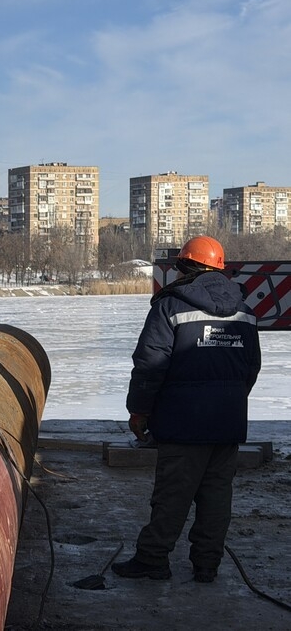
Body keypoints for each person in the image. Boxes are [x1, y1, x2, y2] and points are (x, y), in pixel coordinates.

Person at [113, 236, 261, 583]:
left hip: (183, 421)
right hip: (227, 421)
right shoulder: (245, 311)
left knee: (173, 494)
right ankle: (207, 565)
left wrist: (139, 410)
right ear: (220, 271)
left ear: (184, 266)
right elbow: (250, 367)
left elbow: (151, 364)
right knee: (217, 497)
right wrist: (231, 403)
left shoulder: (171, 306)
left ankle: (152, 559)